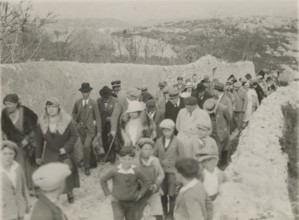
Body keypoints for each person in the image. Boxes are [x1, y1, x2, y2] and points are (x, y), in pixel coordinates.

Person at [36, 97, 80, 203]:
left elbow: (74, 136)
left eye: (53, 107)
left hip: (65, 152)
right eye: (48, 107)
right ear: (45, 109)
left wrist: (66, 148)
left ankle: (69, 192)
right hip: (50, 152)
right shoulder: (42, 122)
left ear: (58, 108)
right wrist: (38, 156)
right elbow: (39, 141)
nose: (51, 109)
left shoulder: (67, 120)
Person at [100, 146, 151, 220]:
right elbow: (102, 180)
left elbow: (147, 181)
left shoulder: (136, 171)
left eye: (129, 159)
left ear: (133, 159)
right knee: (118, 218)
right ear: (120, 159)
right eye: (124, 159)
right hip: (117, 202)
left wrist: (140, 194)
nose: (127, 162)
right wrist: (108, 194)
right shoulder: (115, 170)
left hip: (132, 202)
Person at [1, 94, 38, 193]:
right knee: (19, 163)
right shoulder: (4, 114)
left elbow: (34, 125)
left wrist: (27, 138)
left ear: (16, 103)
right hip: (15, 141)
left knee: (31, 163)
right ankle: (23, 189)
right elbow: (4, 129)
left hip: (28, 139)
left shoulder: (24, 111)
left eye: (10, 104)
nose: (7, 106)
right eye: (6, 104)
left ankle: (35, 187)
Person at [153, 119, 185, 220]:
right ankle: (164, 211)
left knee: (172, 193)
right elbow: (154, 156)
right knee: (163, 192)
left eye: (169, 130)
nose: (166, 132)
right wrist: (159, 163)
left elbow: (182, 157)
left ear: (173, 130)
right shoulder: (158, 142)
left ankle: (171, 213)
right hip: (162, 171)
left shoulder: (178, 142)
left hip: (173, 171)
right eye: (164, 130)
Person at [72, 82, 102, 176]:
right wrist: (75, 123)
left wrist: (99, 131)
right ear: (81, 93)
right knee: (87, 147)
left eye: (87, 92)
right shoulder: (77, 102)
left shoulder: (93, 103)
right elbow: (73, 113)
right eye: (84, 92)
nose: (86, 94)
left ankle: (87, 167)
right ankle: (93, 162)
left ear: (90, 92)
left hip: (90, 130)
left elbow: (98, 118)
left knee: (86, 146)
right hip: (80, 130)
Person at [135, 138, 165, 220]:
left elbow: (161, 174)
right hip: (140, 191)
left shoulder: (155, 160)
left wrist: (156, 184)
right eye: (145, 149)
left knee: (158, 212)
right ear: (140, 149)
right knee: (137, 213)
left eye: (150, 149)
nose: (148, 151)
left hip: (153, 190)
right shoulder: (136, 162)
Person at [1, 140, 30, 220]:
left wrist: (28, 203)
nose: (8, 156)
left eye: (11, 153)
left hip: (19, 209)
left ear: (15, 155)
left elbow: (24, 187)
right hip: (4, 211)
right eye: (5, 153)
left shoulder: (18, 167)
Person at [203, 99, 231, 167]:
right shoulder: (206, 107)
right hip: (210, 132)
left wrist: (224, 128)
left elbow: (229, 118)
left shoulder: (223, 108)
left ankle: (216, 167)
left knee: (217, 151)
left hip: (220, 132)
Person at [97, 86, 118, 163]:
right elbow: (97, 113)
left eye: (107, 96)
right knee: (104, 140)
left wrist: (111, 118)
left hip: (111, 124)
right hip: (103, 125)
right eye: (103, 96)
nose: (105, 98)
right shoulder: (99, 101)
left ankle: (113, 156)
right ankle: (107, 155)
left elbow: (118, 114)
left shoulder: (116, 101)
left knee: (111, 140)